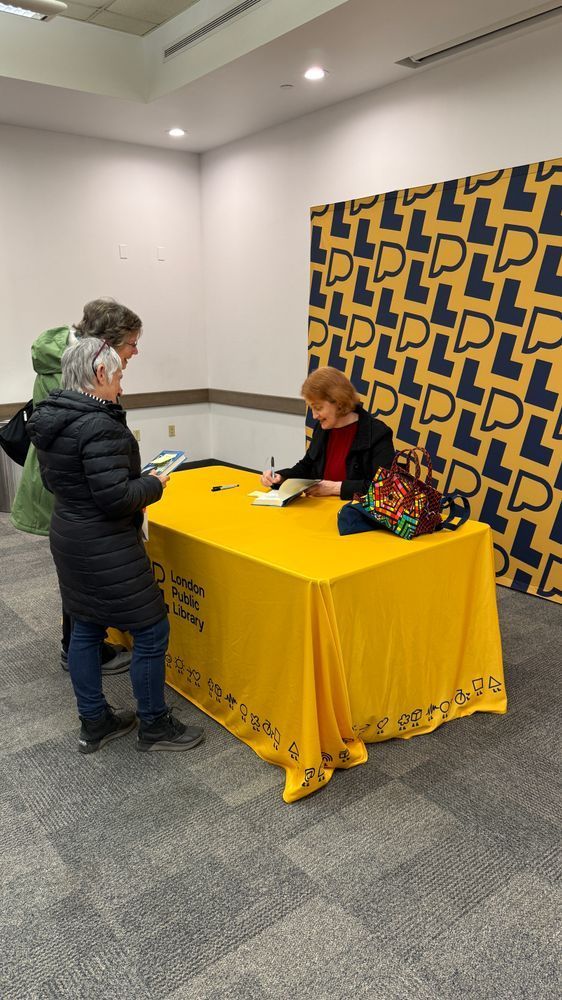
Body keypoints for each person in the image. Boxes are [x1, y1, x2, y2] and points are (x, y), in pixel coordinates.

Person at [27, 337, 204, 754]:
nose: (122, 385)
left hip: (69, 535)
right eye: (120, 375)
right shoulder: (99, 424)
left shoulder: (51, 418)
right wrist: (154, 483)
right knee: (152, 629)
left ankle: (95, 721)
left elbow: (57, 483)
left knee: (86, 627)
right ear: (101, 372)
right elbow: (116, 498)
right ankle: (155, 725)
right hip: (106, 545)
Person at [11, 298, 142, 674]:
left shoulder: (64, 363)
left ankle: (82, 645)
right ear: (106, 344)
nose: (135, 352)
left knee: (77, 570)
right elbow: (88, 439)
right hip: (75, 487)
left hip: (68, 482)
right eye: (131, 343)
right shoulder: (80, 374)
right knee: (82, 572)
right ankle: (81, 649)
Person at [260, 366, 394, 499]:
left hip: (353, 510)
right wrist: (281, 478)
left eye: (318, 408)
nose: (314, 416)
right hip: (321, 508)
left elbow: (385, 488)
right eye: (311, 408)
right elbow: (307, 466)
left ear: (339, 402)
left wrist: (335, 488)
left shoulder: (377, 433)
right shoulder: (322, 428)